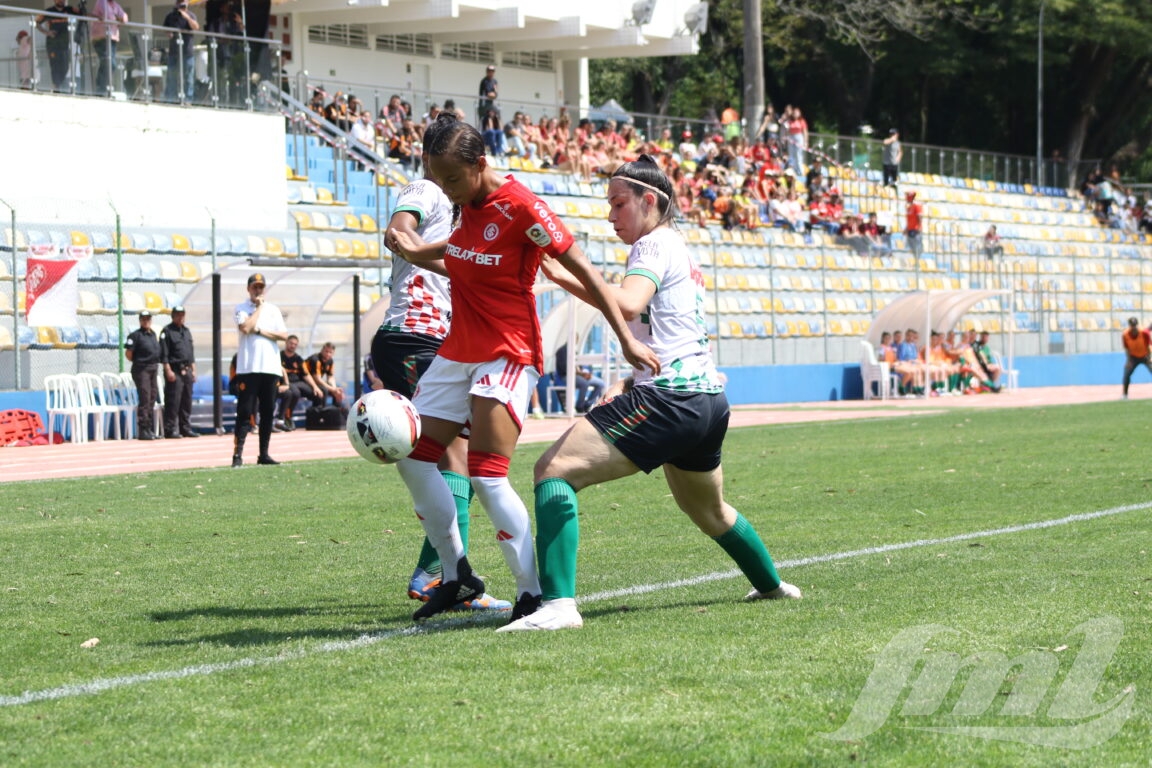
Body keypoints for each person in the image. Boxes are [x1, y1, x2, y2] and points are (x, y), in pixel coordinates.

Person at [500, 156, 800, 632]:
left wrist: (567, 267)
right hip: (706, 402)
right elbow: (666, 334)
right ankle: (772, 585)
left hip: (671, 400)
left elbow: (630, 301)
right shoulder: (675, 247)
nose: (611, 215)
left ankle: (557, 607)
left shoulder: (652, 245)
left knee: (553, 470)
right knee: (709, 511)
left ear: (650, 201)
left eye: (618, 203)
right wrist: (566, 283)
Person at [385, 112, 659, 623]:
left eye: (450, 179)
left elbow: (590, 274)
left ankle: (531, 594)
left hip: (507, 353)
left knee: (488, 474)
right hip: (457, 350)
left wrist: (625, 339)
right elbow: (464, 252)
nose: (445, 192)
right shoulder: (465, 205)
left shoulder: (522, 206)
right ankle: (456, 575)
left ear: (480, 164)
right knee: (413, 454)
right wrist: (415, 248)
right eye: (436, 179)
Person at [372, 170, 510, 613]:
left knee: (463, 455)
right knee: (449, 454)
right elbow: (398, 229)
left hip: (439, 343)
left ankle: (449, 575)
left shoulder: (460, 218)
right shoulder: (426, 189)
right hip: (413, 334)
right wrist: (410, 241)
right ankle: (442, 576)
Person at [232, 273, 288, 467]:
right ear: (248, 289)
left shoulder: (273, 310)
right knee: (245, 411)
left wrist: (262, 331)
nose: (258, 290)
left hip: (270, 368)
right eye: (255, 287)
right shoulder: (242, 308)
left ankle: (263, 454)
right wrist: (259, 308)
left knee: (267, 411)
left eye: (261, 287)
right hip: (249, 368)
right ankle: (237, 455)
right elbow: (246, 327)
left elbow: (283, 335)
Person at [159, 305, 198, 438]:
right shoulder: (167, 331)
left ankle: (185, 427)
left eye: (182, 314)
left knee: (186, 401)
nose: (181, 317)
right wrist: (168, 370)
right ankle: (170, 429)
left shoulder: (186, 331)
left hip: (187, 370)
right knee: (173, 401)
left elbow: (190, 353)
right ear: (173, 316)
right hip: (174, 370)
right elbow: (164, 354)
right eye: (178, 314)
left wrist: (194, 370)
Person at [124, 310, 161, 440]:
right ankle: (143, 429)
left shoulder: (152, 334)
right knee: (145, 397)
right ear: (140, 320)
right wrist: (140, 363)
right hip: (142, 369)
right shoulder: (135, 336)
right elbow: (128, 354)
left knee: (152, 397)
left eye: (148, 319)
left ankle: (149, 428)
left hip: (153, 368)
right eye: (143, 319)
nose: (146, 321)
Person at [36, 0, 81, 92]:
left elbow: (83, 13)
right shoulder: (49, 11)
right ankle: (56, 89)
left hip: (64, 45)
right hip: (52, 44)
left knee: (65, 67)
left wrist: (98, 17)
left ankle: (58, 87)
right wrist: (46, 32)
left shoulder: (69, 9)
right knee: (55, 66)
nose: (62, 1)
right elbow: (36, 22)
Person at [163, 0, 200, 102]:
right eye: (180, 2)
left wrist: (186, 17)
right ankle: (171, 99)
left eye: (183, 2)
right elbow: (166, 29)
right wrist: (169, 33)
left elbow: (196, 27)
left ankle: (188, 100)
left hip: (187, 52)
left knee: (188, 77)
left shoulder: (191, 15)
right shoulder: (170, 16)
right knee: (171, 77)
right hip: (174, 51)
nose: (181, 4)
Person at [553, 342, 605, 414]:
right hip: (566, 376)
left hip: (579, 375)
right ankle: (579, 406)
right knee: (584, 383)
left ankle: (588, 404)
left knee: (600, 383)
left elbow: (579, 366)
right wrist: (581, 374)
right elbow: (565, 369)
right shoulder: (562, 351)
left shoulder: (574, 351)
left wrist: (584, 373)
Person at [90, 0, 128, 95]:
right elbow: (108, 16)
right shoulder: (101, 2)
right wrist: (117, 19)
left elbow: (125, 18)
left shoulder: (116, 5)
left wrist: (119, 18)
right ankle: (102, 89)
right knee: (110, 63)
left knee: (107, 63)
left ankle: (102, 89)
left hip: (112, 38)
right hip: (101, 38)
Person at [275, 334, 309, 431]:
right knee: (294, 392)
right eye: (291, 343)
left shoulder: (298, 359)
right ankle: (286, 418)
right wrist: (285, 384)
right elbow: (282, 371)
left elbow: (307, 375)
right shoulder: (278, 356)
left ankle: (318, 419)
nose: (293, 346)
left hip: (297, 382)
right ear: (286, 343)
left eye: (295, 344)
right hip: (283, 383)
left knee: (318, 393)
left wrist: (315, 387)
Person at [302, 342, 346, 410]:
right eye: (326, 351)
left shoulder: (330, 361)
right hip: (305, 382)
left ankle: (337, 411)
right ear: (322, 350)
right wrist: (333, 390)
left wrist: (335, 389)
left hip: (316, 383)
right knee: (324, 390)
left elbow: (330, 377)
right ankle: (321, 411)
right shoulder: (315, 359)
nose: (328, 354)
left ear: (333, 353)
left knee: (338, 390)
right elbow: (317, 379)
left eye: (330, 352)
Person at [1120, 317, 1152, 400]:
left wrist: (1150, 357)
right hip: (1133, 357)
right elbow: (1127, 348)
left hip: (1145, 356)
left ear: (1137, 325)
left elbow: (1150, 345)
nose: (1133, 327)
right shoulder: (1125, 335)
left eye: (1135, 325)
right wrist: (1128, 361)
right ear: (1129, 326)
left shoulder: (1144, 333)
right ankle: (1125, 395)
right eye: (1132, 325)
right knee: (1127, 373)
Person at [905, 191, 923, 259]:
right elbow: (909, 220)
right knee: (911, 246)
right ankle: (915, 261)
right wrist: (906, 228)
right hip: (910, 229)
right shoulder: (909, 207)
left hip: (915, 230)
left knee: (916, 246)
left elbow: (919, 217)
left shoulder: (917, 206)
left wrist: (919, 227)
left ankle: (918, 261)